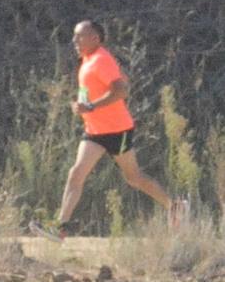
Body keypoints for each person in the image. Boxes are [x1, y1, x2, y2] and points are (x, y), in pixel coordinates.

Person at [32, 20, 174, 240]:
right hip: (94, 131)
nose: (74, 41)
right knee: (76, 173)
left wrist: (90, 106)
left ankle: (175, 207)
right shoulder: (89, 60)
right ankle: (59, 227)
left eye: (79, 36)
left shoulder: (101, 59)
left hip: (118, 130)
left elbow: (121, 90)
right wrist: (82, 105)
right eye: (74, 36)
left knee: (134, 178)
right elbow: (120, 81)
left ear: (94, 39)